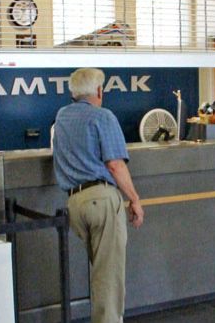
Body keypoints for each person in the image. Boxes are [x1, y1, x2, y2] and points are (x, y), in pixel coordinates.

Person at [53, 68, 144, 323]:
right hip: (101, 200)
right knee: (109, 278)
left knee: (100, 273)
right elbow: (115, 165)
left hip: (75, 203)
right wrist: (134, 199)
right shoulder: (102, 116)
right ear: (99, 91)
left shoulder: (61, 116)